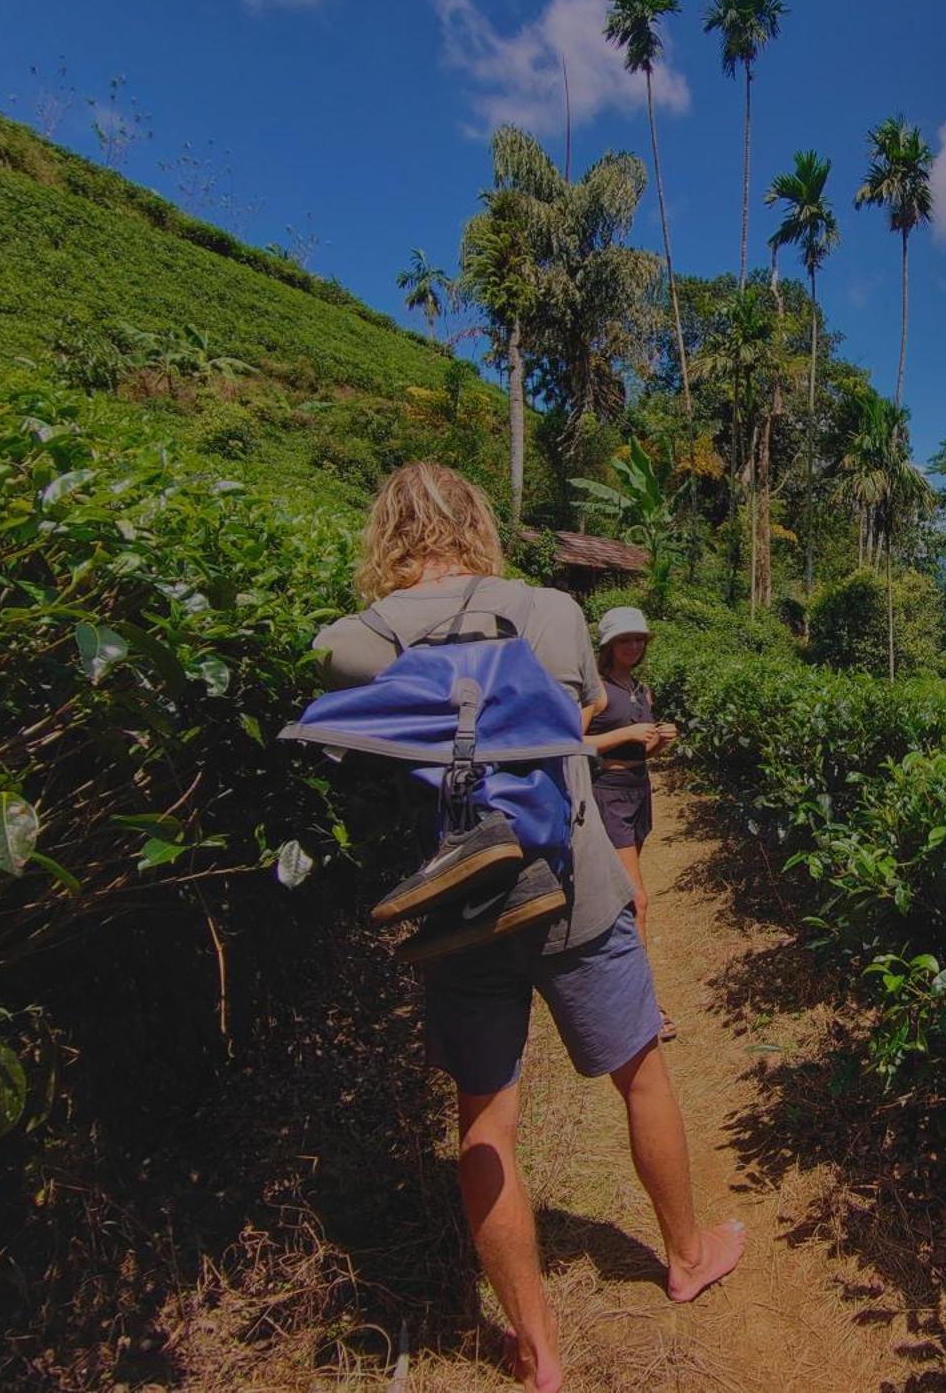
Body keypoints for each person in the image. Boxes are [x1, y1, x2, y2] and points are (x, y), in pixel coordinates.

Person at [311, 463, 742, 1392]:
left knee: (485, 1120)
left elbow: (331, 665)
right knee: (640, 1077)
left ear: (384, 532)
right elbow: (573, 715)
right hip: (573, 885)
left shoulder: (362, 640)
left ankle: (535, 1346)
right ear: (478, 521)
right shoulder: (550, 611)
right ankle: (687, 1253)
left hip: (459, 905)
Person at [584, 606, 679, 1038]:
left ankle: (618, 989)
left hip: (638, 792)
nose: (634, 646)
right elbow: (572, 741)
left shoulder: (643, 691)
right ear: (608, 646)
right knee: (636, 900)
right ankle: (643, 1008)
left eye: (639, 639)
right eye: (626, 640)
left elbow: (643, 754)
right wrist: (624, 735)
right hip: (608, 794)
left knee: (625, 897)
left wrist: (658, 741)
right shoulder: (597, 691)